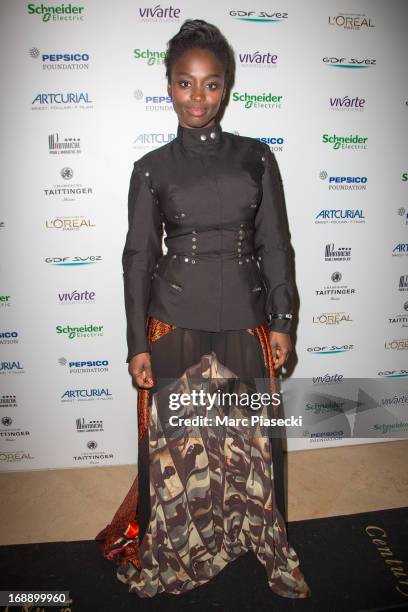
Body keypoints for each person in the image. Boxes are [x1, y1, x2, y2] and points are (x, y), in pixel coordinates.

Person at [95, 18, 311, 600]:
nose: (198, 97)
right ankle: (174, 549)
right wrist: (137, 343)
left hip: (246, 322)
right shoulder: (151, 168)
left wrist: (282, 319)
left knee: (254, 451)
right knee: (178, 457)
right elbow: (137, 259)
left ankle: (261, 543)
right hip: (175, 328)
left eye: (210, 84)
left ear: (227, 87)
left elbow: (275, 245)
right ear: (168, 86)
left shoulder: (258, 159)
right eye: (185, 83)